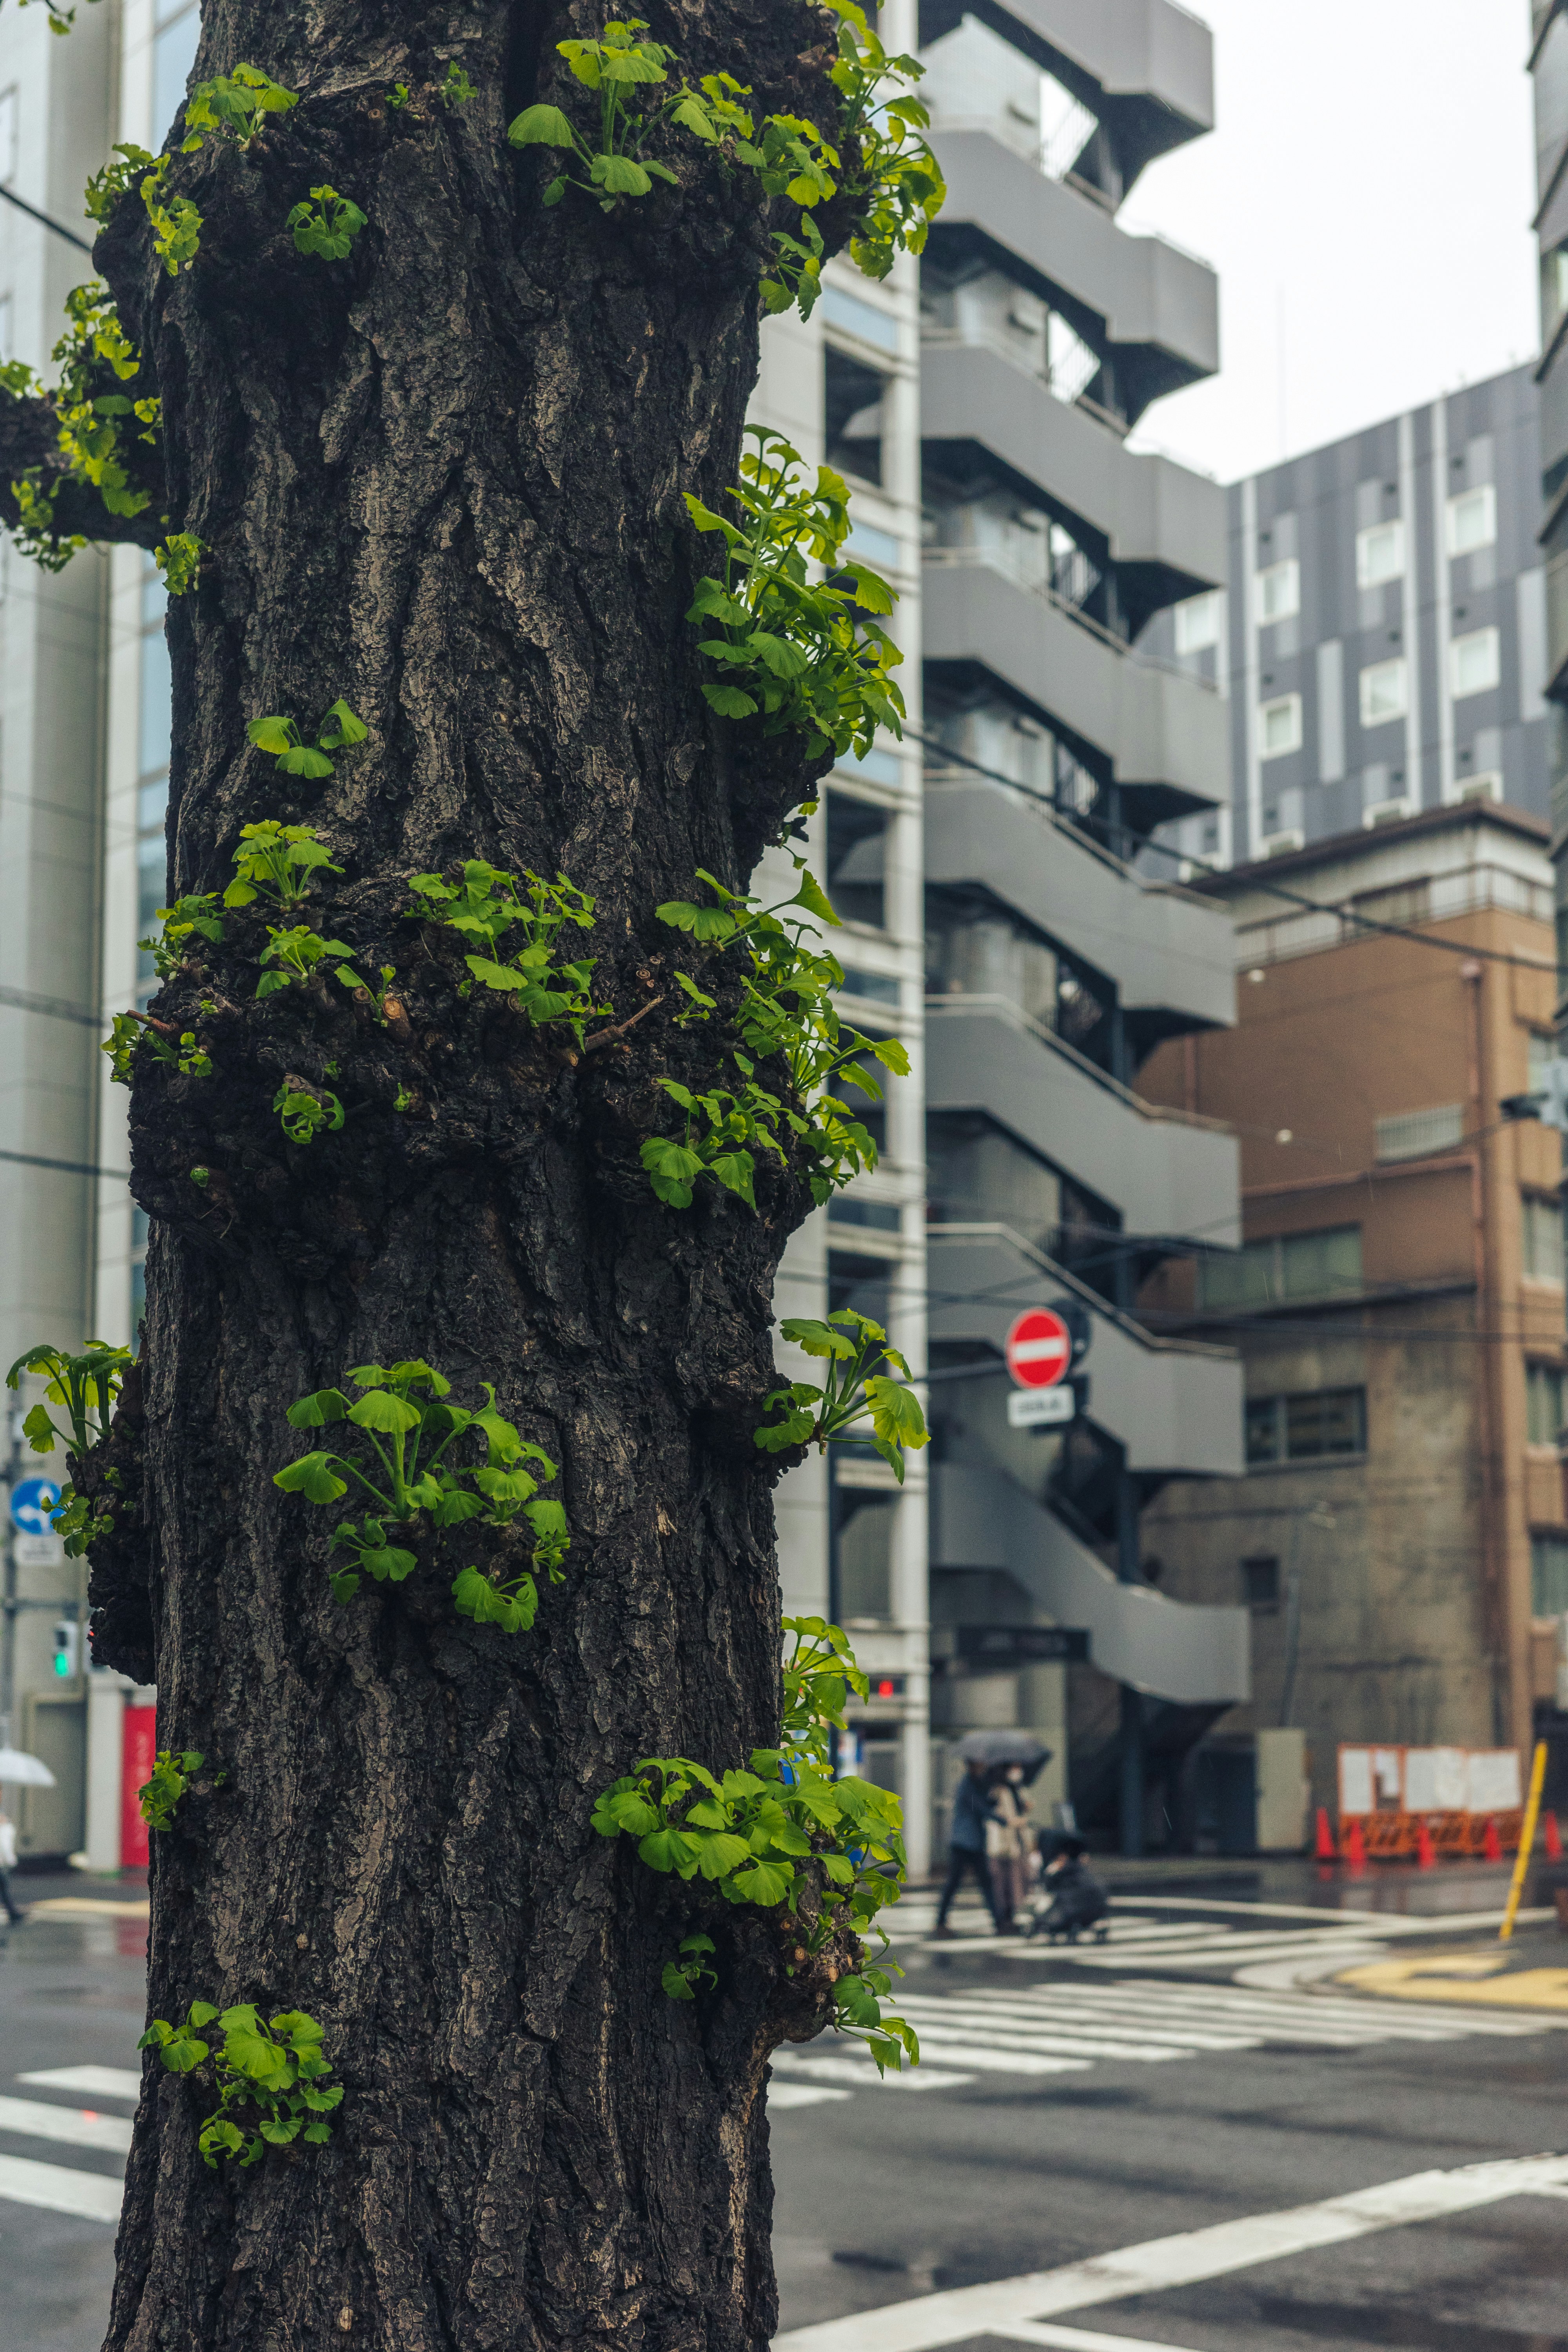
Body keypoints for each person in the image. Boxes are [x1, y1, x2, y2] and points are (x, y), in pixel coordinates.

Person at [934, 1757, 1004, 1934]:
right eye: (980, 1764)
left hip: (973, 1841)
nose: (983, 1767)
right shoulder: (967, 1785)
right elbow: (979, 1809)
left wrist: (994, 1797)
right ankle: (941, 1923)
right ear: (973, 1765)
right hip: (964, 1843)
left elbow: (983, 1805)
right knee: (955, 1884)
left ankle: (999, 1921)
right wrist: (1004, 1820)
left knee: (983, 1883)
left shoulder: (976, 1783)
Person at [989, 1763, 1036, 1929]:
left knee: (1018, 1882)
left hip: (1018, 1843)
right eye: (1014, 1768)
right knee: (1003, 1883)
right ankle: (1004, 1919)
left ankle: (1011, 1917)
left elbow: (1021, 1812)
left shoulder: (1018, 1790)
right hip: (1003, 1845)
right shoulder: (998, 1791)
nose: (1017, 1772)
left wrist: (1026, 1808)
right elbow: (996, 1814)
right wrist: (1013, 1821)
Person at [0, 1807, 26, 1926]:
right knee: (4, 1890)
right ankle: (13, 1914)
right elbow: (5, 1848)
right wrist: (11, 1861)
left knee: (4, 1890)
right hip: (2, 1866)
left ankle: (13, 1914)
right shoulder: (5, 1830)